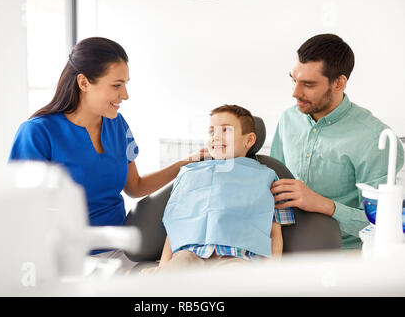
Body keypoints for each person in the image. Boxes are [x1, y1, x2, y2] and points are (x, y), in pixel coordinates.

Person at [8, 37, 207, 273]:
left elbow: (135, 186)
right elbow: (20, 211)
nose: (125, 94)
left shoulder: (117, 124)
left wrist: (190, 162)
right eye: (116, 85)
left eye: (126, 84)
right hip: (66, 260)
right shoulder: (37, 132)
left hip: (120, 250)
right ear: (83, 82)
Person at [270, 34, 404, 250]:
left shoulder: (376, 139)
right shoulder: (288, 118)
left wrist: (322, 204)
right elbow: (269, 181)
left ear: (339, 83)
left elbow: (382, 226)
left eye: (308, 84)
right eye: (294, 80)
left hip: (342, 256)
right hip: (283, 245)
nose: (295, 93)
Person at [141, 105, 295, 275]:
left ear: (249, 140)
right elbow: (176, 226)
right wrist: (163, 267)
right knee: (171, 273)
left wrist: (271, 273)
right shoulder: (189, 175)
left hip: (237, 257)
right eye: (211, 131)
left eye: (225, 130)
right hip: (190, 255)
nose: (215, 137)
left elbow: (275, 232)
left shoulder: (268, 178)